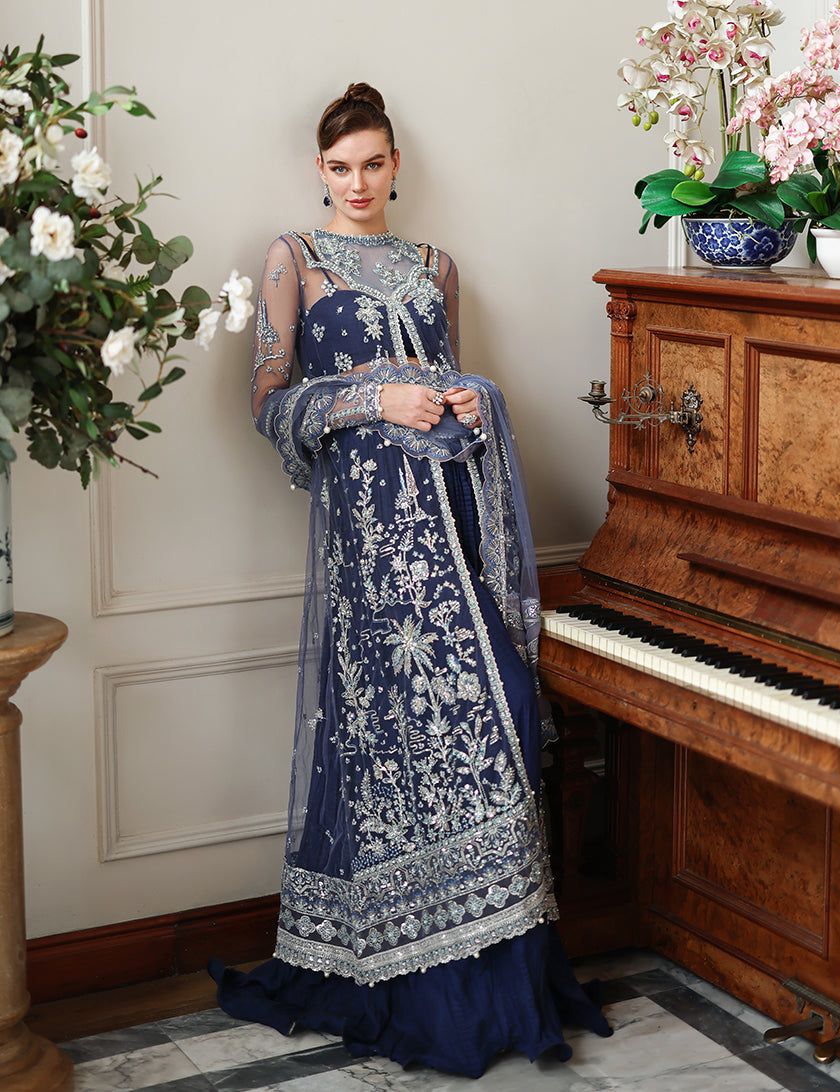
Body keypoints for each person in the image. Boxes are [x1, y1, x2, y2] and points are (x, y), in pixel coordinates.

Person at [208, 82, 611, 1079]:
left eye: (374, 164)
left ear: (396, 166)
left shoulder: (437, 267)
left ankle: (508, 985)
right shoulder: (294, 260)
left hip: (456, 531)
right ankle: (409, 979)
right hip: (373, 546)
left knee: (503, 715)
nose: (358, 183)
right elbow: (267, 401)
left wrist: (470, 405)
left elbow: (451, 380)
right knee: (397, 739)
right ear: (320, 170)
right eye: (341, 167)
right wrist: (370, 399)